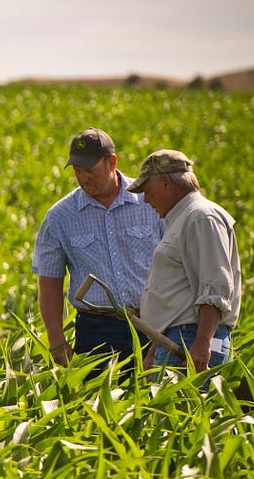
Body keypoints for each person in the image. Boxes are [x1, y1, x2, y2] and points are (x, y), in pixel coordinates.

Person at [31, 128, 163, 369]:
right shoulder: (60, 217)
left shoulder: (150, 202)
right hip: (97, 331)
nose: (83, 178)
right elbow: (49, 281)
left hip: (155, 325)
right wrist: (57, 340)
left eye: (90, 170)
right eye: (77, 172)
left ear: (111, 162)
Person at [133, 150, 243, 372]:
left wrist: (202, 345)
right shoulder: (182, 219)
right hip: (177, 340)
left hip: (190, 341)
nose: (145, 199)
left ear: (165, 182)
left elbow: (215, 288)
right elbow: (177, 294)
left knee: (189, 405)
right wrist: (154, 351)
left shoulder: (201, 217)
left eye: (147, 190)